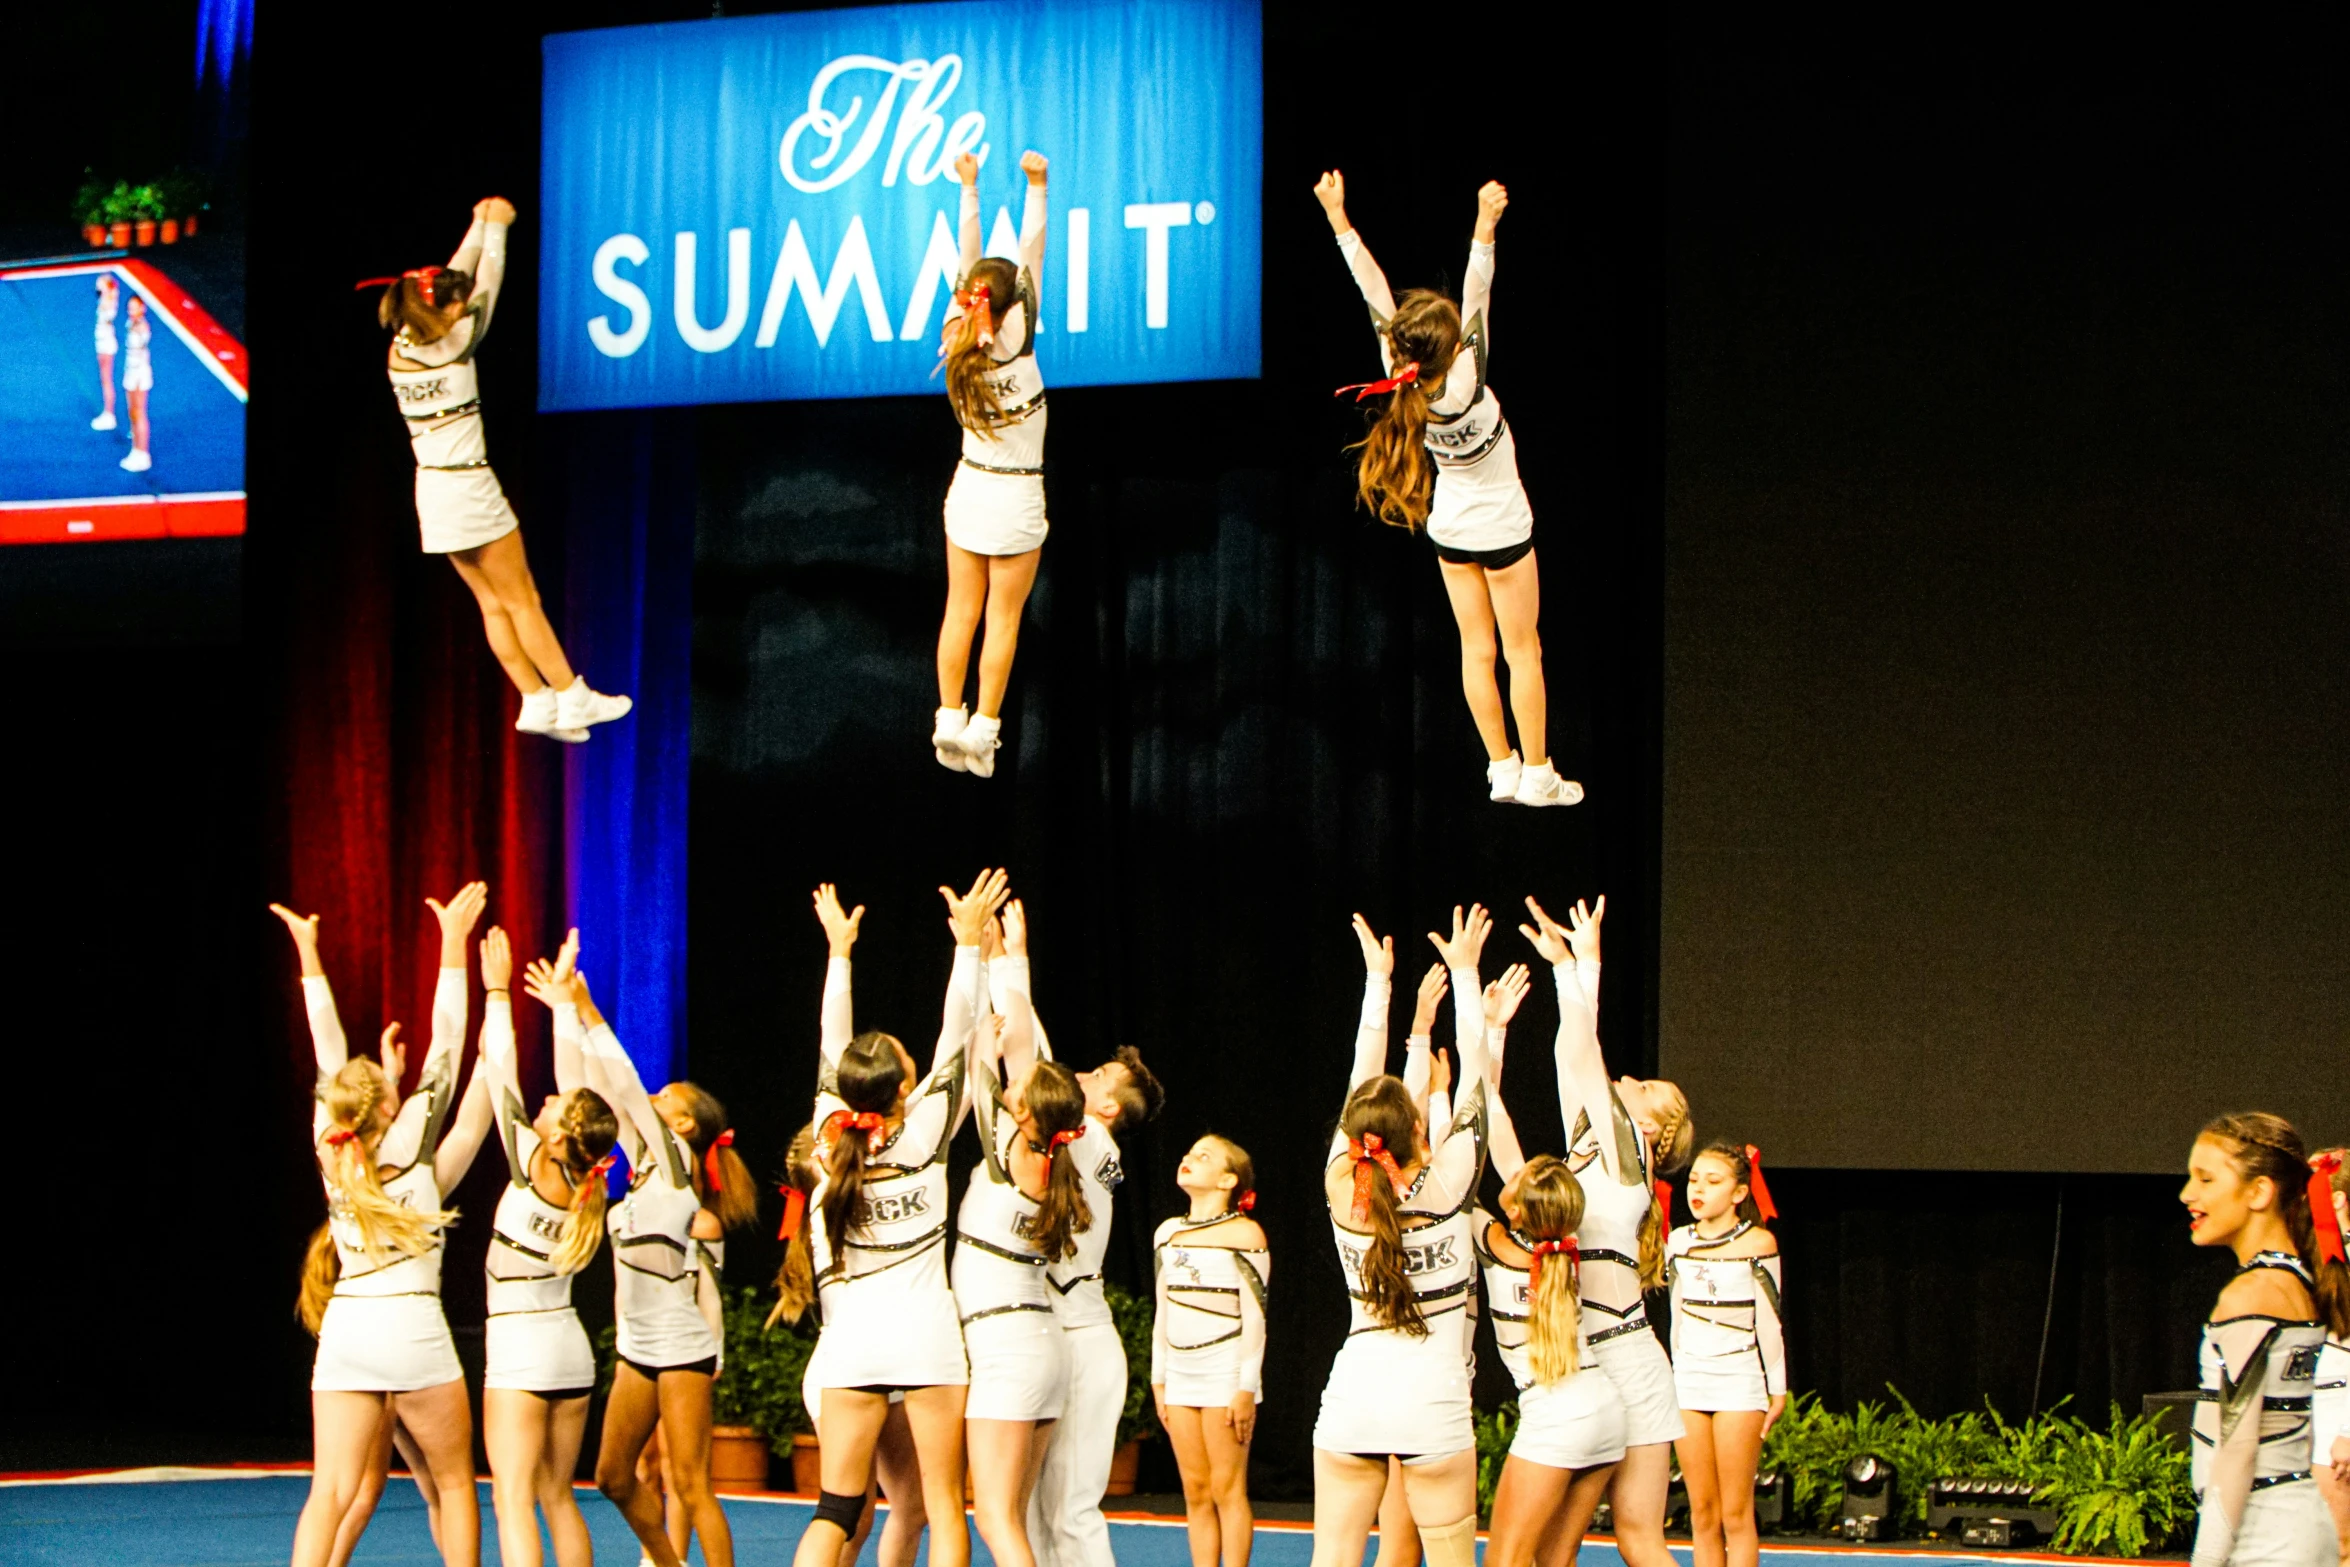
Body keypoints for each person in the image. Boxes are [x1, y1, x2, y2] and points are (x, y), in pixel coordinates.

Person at [1310, 170, 1573, 809]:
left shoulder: (1400, 380)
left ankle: (1500, 766)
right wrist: (1485, 224)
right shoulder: (1469, 373)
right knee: (1522, 649)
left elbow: (1370, 288)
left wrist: (1337, 219)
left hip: (1451, 528)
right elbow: (1479, 285)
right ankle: (1537, 771)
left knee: (1476, 649)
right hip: (1503, 527)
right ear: (1454, 346)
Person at [273, 884, 495, 1567]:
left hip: (348, 1329)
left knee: (329, 1490)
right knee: (455, 1482)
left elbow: (327, 1046)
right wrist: (453, 944)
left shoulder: (330, 1145)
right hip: (412, 1328)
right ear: (389, 1105)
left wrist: (310, 954)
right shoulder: (414, 1152)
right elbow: (449, 1047)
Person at [369, 197, 630, 742]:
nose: (464, 310)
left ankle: (535, 700)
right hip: (469, 486)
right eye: (456, 309)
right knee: (521, 598)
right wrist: (498, 231)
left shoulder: (402, 345)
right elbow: (484, 281)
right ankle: (571, 694)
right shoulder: (456, 346)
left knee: (491, 604)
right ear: (446, 316)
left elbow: (450, 282)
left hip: (433, 492)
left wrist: (477, 221)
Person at [786, 878, 989, 1567]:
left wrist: (839, 954)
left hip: (852, 1341)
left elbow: (828, 1039)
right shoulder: (927, 1125)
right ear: (904, 1085)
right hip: (927, 1338)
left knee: (836, 1508)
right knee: (939, 1502)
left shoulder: (825, 1130)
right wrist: (967, 948)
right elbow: (957, 1036)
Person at [546, 950, 754, 1567]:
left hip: (681, 1347)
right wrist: (567, 1013)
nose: (655, 1099)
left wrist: (587, 1008)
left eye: (668, 1099)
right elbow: (595, 1090)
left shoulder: (676, 1166)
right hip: (636, 1345)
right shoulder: (642, 1170)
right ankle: (669, 1563)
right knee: (612, 1475)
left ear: (684, 1123)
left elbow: (628, 1086)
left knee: (690, 1484)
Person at [1307, 908, 1492, 1567]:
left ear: (1357, 1136)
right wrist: (1466, 976)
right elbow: (1476, 1077)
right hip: (1432, 1402)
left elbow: (1362, 1076)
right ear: (1420, 1131)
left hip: (1353, 1392)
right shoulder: (1451, 1184)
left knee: (1331, 1558)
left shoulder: (1339, 1181)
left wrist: (1377, 983)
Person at [1518, 894, 1693, 1567]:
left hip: (1620, 1359)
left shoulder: (1629, 1155)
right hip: (1597, 1356)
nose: (1630, 1076)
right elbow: (1574, 1063)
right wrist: (1580, 964)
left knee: (1627, 1538)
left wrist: (1576, 966)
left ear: (1653, 1126)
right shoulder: (1594, 1145)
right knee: (1562, 1547)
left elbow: (1583, 1054)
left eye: (1644, 1083)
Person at [991, 901, 1165, 1567]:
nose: (1078, 1079)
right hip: (1050, 1330)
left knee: (1069, 1511)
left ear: (1109, 1105)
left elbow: (1030, 1066)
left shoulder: (1090, 1137)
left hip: (1081, 1339)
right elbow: (1032, 1062)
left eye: (1092, 1079)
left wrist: (1011, 960)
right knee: (1033, 1510)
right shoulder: (1082, 1140)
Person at [461, 926, 619, 1567]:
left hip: (523, 1346)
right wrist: (560, 1008)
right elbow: (582, 1093)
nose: (546, 1101)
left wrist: (497, 993)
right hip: (568, 1347)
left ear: (557, 1141)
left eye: (552, 1111)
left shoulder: (532, 1164)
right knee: (558, 1496)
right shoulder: (586, 1178)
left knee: (514, 1498)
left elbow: (501, 1077)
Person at [1464, 963, 1627, 1567]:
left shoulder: (1497, 1245)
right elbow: (1497, 1139)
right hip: (1605, 1413)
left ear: (1515, 1202)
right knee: (1554, 1563)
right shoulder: (1570, 1242)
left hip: (1556, 1415)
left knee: (1506, 1562)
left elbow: (1478, 1130)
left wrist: (1489, 1032)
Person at [955, 880, 1094, 1567]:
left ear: (1027, 1112)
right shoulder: (1053, 1159)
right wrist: (1014, 960)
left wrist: (980, 960)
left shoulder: (1008, 1148)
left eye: (1018, 1093)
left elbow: (983, 1053)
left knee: (999, 1522)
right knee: (1019, 1519)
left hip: (1009, 1348)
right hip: (1039, 1344)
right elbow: (1027, 1057)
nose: (1009, 1089)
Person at [2181, 1114, 2350, 1567]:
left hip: (2264, 1539)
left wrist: (2207, 1560)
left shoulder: (2252, 1294)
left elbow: (2237, 1450)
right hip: (2297, 1525)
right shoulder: (2299, 1283)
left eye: (2206, 1179)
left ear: (2259, 1192)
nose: (2187, 1194)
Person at [932, 150, 1051, 778]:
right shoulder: (1020, 341)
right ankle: (983, 729)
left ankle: (947, 718)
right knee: (1002, 618)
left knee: (961, 612)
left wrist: (969, 187)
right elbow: (1031, 251)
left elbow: (965, 260)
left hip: (969, 488)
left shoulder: (956, 335)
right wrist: (1038, 187)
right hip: (1014, 496)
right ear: (1012, 309)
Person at [1151, 1135, 1269, 1567]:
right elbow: (1163, 1310)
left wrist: (1245, 1388)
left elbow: (1256, 1318)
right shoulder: (1167, 1233)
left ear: (1228, 1179)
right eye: (1188, 1152)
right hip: (1180, 1374)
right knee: (1196, 1491)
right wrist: (1158, 1379)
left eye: (1204, 1157)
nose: (1188, 1158)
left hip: (1224, 1373)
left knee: (1226, 1489)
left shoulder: (1245, 1233)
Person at [1667, 1144, 1786, 1567]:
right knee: (1702, 1512)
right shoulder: (1678, 1240)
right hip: (1689, 1380)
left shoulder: (1759, 1242)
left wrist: (1778, 1391)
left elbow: (1769, 1323)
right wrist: (1675, 1378)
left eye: (1713, 1182)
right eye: (1694, 1179)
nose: (1698, 1189)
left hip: (1739, 1378)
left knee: (1735, 1513)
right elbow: (1676, 1318)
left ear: (1738, 1193)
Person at [2309, 1150, 2350, 1563]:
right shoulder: (2321, 1257)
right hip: (2314, 1412)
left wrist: (2349, 1430)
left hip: (2339, 1417)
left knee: (2341, 1546)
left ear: (2335, 1200)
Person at [119, 294, 153, 472]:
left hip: (139, 373)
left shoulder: (142, 327)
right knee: (132, 412)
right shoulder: (130, 324)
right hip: (130, 371)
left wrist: (138, 380)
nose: (131, 311)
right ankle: (135, 448)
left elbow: (143, 354)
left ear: (142, 308)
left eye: (135, 308)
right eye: (129, 308)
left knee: (140, 413)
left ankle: (143, 453)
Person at [92, 274, 119, 432]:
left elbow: (107, 315)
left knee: (106, 379)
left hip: (106, 344)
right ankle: (108, 412)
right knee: (104, 379)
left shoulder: (108, 303)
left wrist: (107, 293)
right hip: (102, 342)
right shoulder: (107, 300)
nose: (97, 289)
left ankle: (109, 414)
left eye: (100, 286)